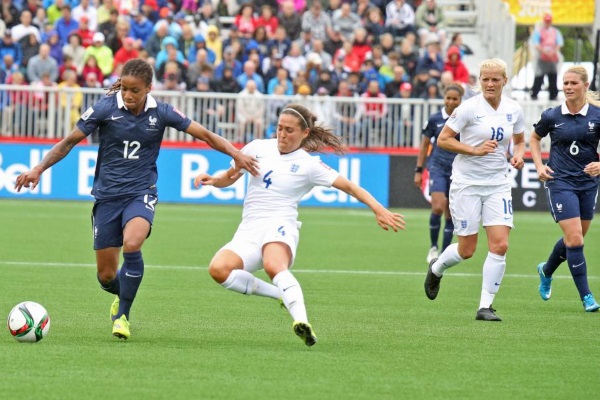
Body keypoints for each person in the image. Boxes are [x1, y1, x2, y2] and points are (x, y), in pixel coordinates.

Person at [14, 58, 259, 340]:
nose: (128, 96)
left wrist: (235, 153)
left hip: (141, 192)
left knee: (132, 243)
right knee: (106, 276)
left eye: (135, 91)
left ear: (148, 89)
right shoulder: (106, 108)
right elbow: (69, 141)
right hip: (107, 197)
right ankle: (121, 294)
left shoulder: (163, 112)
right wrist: (38, 169)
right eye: (125, 89)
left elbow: (204, 134)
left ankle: (123, 318)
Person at [192, 103, 405, 346]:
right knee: (218, 270)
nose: (282, 134)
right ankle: (280, 295)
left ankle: (302, 321)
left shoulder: (309, 165)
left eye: (289, 130)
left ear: (304, 134)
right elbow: (230, 176)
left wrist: (378, 209)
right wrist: (213, 179)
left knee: (274, 266)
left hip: (280, 224)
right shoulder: (258, 147)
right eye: (280, 128)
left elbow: (350, 186)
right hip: (250, 229)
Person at [423, 58, 526, 322]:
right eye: (485, 79)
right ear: (479, 81)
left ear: (504, 80)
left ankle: (485, 307)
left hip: (498, 184)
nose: (490, 84)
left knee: (500, 245)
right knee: (467, 249)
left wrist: (518, 155)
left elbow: (519, 139)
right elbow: (444, 140)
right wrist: (474, 150)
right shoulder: (468, 108)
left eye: (495, 79)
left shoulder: (514, 109)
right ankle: (437, 268)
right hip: (467, 184)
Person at [529, 66, 600, 312]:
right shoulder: (552, 115)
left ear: (585, 85)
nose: (568, 87)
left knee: (576, 237)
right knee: (575, 238)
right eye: (565, 83)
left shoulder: (597, 115)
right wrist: (539, 165)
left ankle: (546, 270)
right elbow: (534, 138)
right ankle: (587, 297)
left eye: (573, 83)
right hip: (560, 182)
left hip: (588, 183)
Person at [414, 84, 464, 263]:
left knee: (451, 212)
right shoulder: (435, 119)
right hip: (437, 167)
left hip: (458, 170)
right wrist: (418, 170)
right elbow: (424, 146)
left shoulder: (465, 119)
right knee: (437, 206)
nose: (451, 102)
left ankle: (444, 253)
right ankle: (433, 247)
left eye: (455, 99)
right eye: (448, 98)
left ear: (460, 100)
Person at [530, 13, 563, 101]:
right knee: (539, 76)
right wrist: (544, 51)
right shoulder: (538, 31)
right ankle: (534, 93)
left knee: (553, 76)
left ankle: (553, 94)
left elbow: (559, 43)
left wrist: (553, 52)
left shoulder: (555, 32)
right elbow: (536, 44)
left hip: (552, 57)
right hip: (542, 57)